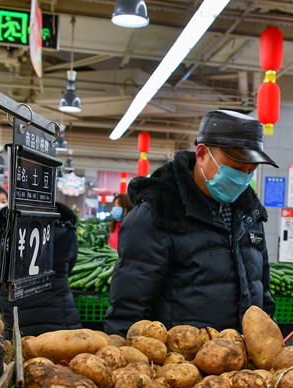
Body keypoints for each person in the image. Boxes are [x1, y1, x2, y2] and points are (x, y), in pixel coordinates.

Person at [104, 110, 278, 335]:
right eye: (235, 169)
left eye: (250, 171)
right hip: (179, 364)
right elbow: (128, 310)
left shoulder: (250, 216)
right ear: (202, 154)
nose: (242, 179)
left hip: (240, 363)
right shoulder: (158, 214)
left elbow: (261, 293)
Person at [0, 202, 83, 337]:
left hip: (12, 311)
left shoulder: (4, 225)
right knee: (61, 355)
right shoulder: (66, 227)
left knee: (13, 353)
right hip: (58, 311)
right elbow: (70, 264)